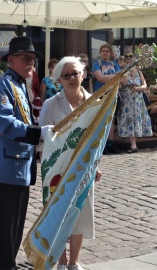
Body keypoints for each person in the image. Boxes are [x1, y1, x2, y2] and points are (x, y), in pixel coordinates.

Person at [0, 36, 50, 270]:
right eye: (26, 58)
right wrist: (37, 134)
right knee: (5, 228)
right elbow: (3, 124)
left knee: (15, 227)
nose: (31, 63)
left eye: (33, 59)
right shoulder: (4, 83)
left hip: (20, 166)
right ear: (12, 60)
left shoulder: (19, 83)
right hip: (6, 166)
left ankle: (8, 265)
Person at [39, 56, 102, 270]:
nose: (73, 78)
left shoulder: (94, 102)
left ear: (83, 74)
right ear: (60, 80)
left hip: (83, 168)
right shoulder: (50, 104)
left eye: (76, 73)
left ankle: (74, 262)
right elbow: (42, 139)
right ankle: (61, 261)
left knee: (80, 213)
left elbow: (97, 139)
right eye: (67, 75)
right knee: (59, 214)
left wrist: (96, 165)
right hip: (58, 169)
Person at [118, 54, 152, 153]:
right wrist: (127, 71)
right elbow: (123, 83)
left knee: (136, 120)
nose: (130, 63)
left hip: (137, 100)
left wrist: (137, 88)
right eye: (128, 61)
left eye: (131, 61)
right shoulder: (124, 72)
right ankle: (133, 145)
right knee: (129, 120)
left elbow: (144, 85)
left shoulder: (139, 72)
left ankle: (134, 145)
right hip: (127, 100)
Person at [92, 43, 121, 154]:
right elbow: (100, 78)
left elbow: (121, 78)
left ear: (110, 53)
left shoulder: (115, 64)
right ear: (100, 53)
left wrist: (115, 77)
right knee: (101, 119)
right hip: (101, 95)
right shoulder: (97, 64)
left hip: (113, 94)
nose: (105, 53)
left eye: (107, 51)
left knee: (112, 119)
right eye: (103, 51)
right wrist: (115, 77)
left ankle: (110, 143)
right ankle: (101, 144)